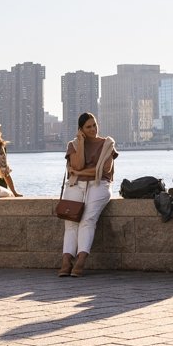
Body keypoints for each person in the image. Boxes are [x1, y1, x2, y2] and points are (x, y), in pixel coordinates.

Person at [57, 112, 117, 277]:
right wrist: (81, 143)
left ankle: (81, 260)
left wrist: (78, 171)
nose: (93, 129)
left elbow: (103, 170)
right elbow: (78, 163)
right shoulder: (74, 145)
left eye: (94, 125)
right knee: (70, 222)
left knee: (87, 219)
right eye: (88, 127)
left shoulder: (107, 144)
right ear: (81, 129)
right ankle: (66, 261)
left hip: (99, 184)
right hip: (77, 184)